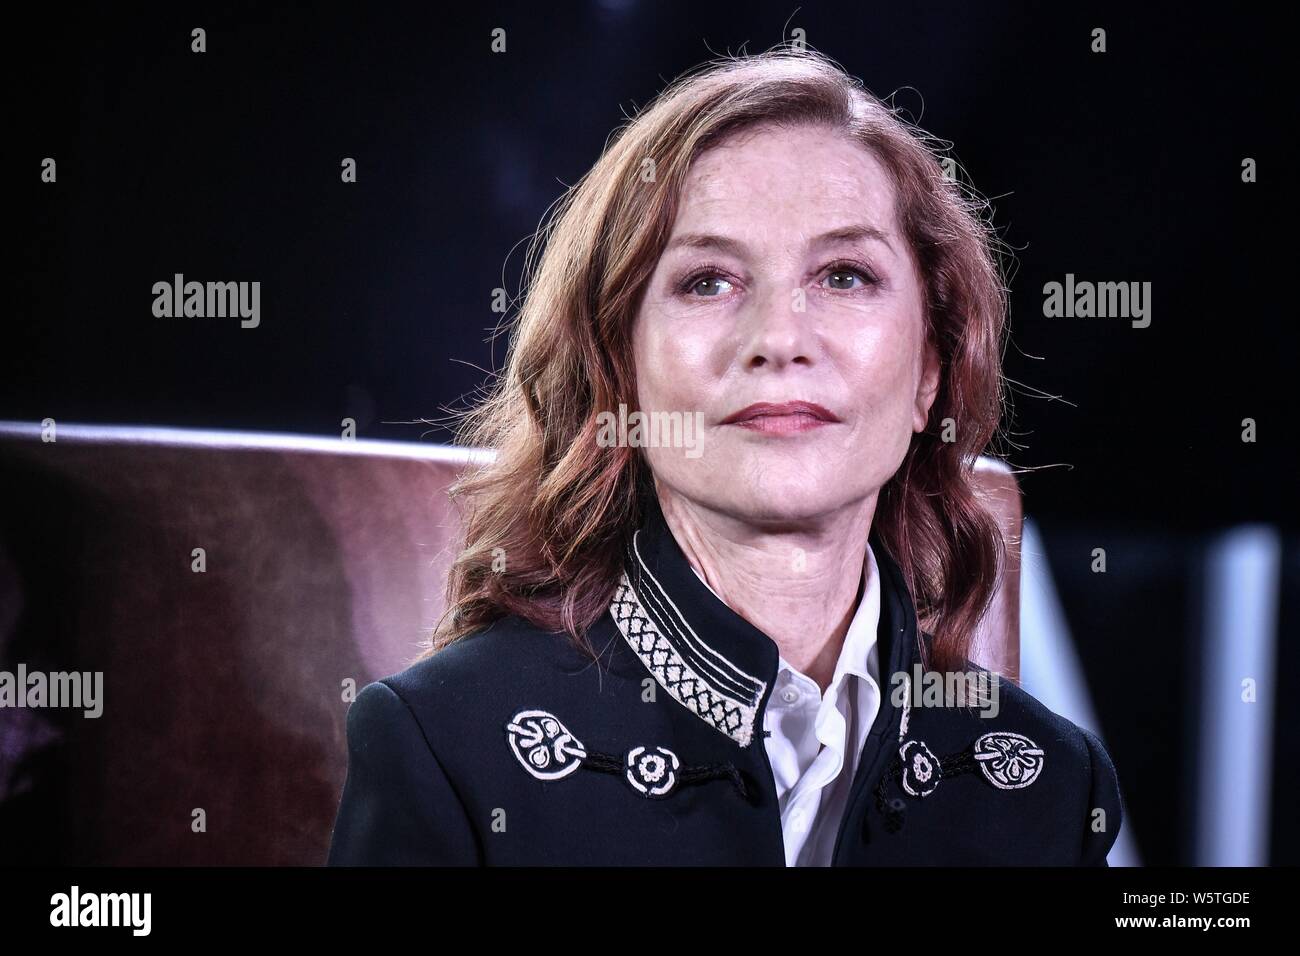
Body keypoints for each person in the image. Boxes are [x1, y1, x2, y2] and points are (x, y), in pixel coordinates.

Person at [327, 47, 1123, 866]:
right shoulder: (445, 749)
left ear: (930, 369)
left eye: (845, 275)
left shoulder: (1052, 791)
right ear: (619, 373)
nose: (779, 340)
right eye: (709, 281)